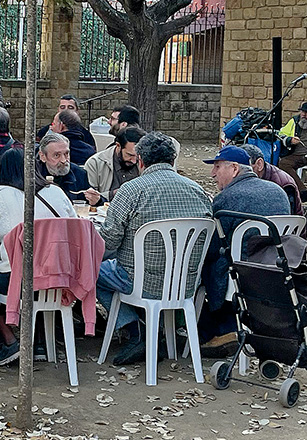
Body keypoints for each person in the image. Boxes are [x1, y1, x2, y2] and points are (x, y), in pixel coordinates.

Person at [97, 132, 212, 365]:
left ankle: (134, 329)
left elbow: (108, 241)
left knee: (91, 270)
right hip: (185, 283)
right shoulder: (198, 191)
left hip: (139, 281)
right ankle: (152, 330)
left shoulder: (131, 190)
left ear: (140, 160)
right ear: (172, 160)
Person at [0, 148, 76, 365]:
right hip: (58, 278)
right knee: (32, 281)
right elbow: (73, 225)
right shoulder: (56, 192)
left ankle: (6, 334)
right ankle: (39, 340)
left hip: (18, 280)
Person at [200, 145, 291, 357]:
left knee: (204, 266)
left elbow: (213, 247)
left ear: (234, 168)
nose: (213, 173)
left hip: (241, 274)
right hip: (276, 269)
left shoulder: (227, 199)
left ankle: (222, 330)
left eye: (217, 167)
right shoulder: (277, 191)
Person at [83, 125, 146, 205]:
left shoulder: (144, 162)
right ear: (118, 146)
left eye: (138, 157)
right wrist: (113, 194)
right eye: (129, 155)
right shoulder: (95, 163)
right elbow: (88, 196)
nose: (134, 161)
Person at [240, 143, 304, 217]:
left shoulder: (282, 183)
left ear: (259, 164)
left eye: (244, 168)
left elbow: (287, 218)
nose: (236, 174)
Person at [36, 131, 93, 202]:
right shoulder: (33, 176)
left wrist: (97, 200)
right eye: (57, 155)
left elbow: (91, 203)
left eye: (66, 154)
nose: (63, 160)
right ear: (43, 156)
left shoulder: (79, 174)